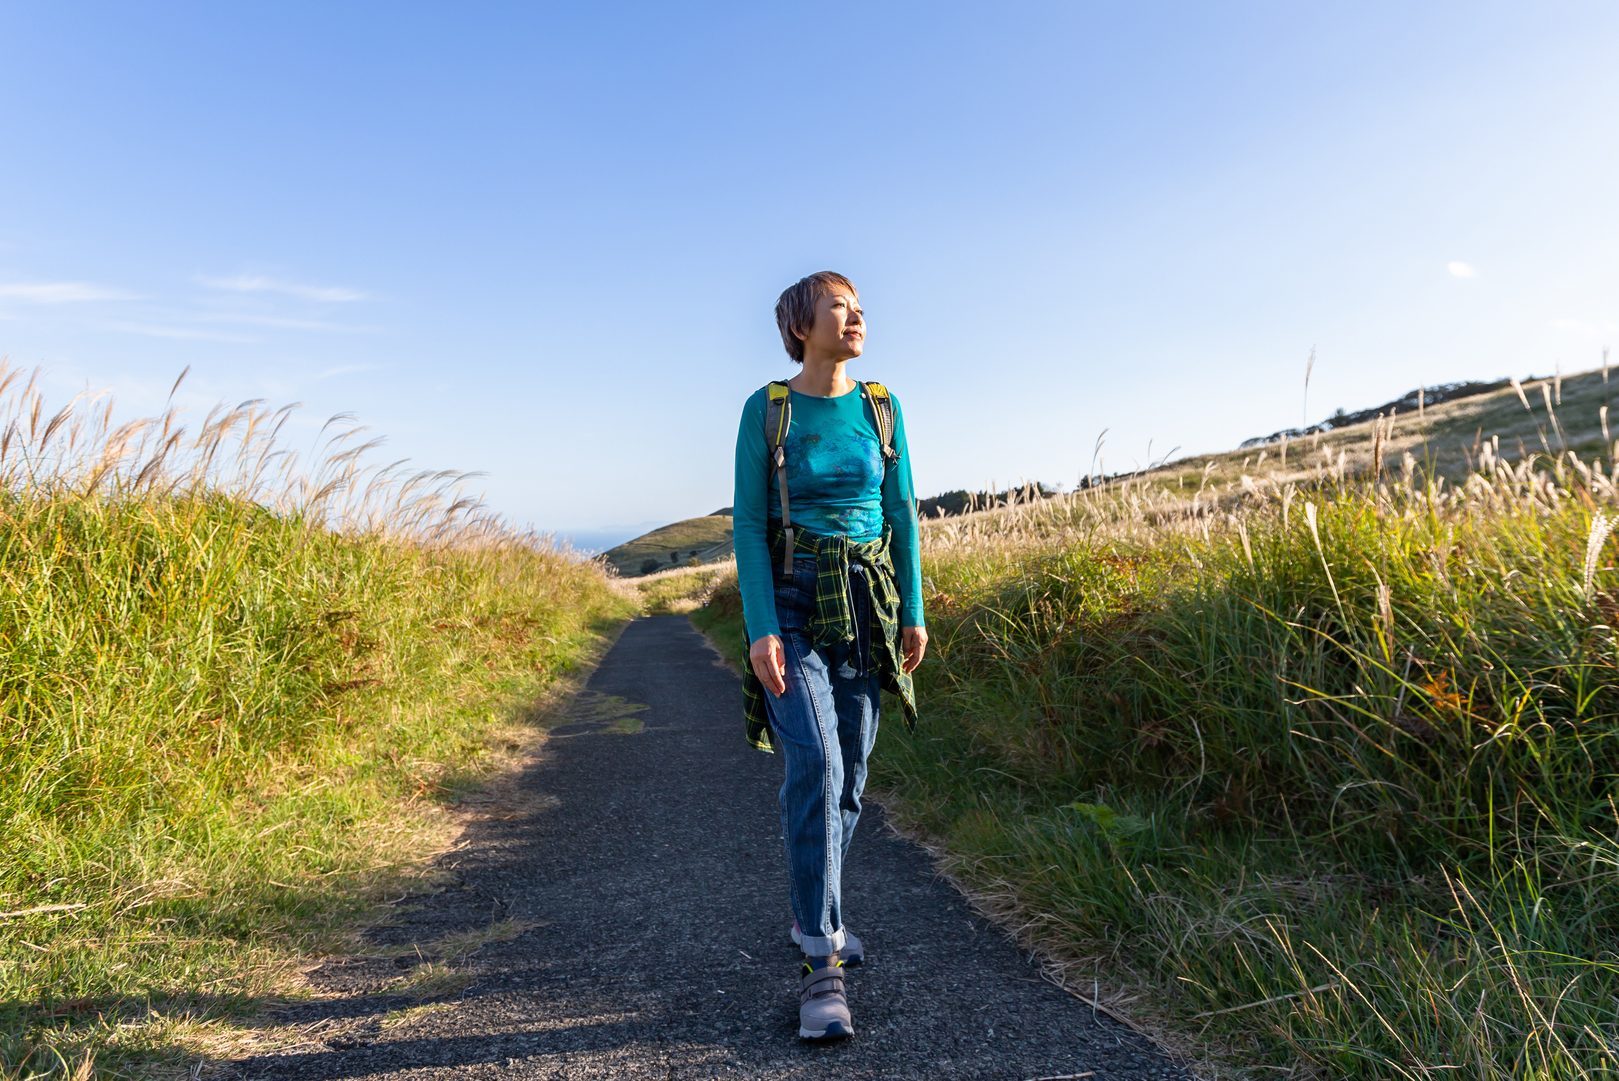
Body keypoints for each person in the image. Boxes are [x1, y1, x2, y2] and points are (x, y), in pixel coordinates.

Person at [731, 270, 927, 1041]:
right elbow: (748, 523)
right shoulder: (768, 410)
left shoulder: (882, 407)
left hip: (870, 604)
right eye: (838, 307)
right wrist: (759, 627)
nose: (854, 318)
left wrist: (912, 608)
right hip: (792, 601)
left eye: (859, 308)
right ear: (798, 324)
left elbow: (902, 509)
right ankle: (820, 962)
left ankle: (821, 911)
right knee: (815, 763)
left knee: (853, 777)